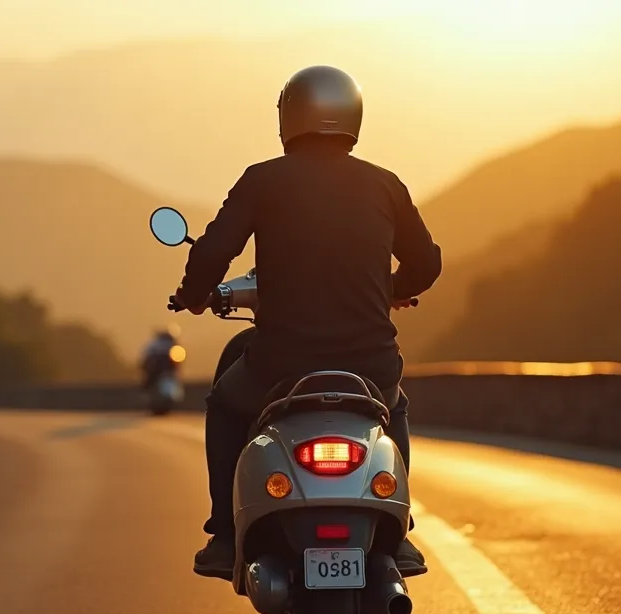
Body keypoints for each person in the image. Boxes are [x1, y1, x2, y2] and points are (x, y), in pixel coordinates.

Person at [173, 65, 443, 581]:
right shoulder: (385, 184)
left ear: (289, 116)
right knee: (395, 407)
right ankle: (401, 535)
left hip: (280, 365)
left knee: (225, 406)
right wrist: (391, 290)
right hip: (371, 366)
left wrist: (192, 296)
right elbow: (427, 264)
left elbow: (211, 251)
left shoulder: (263, 179)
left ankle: (225, 535)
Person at [139, 325, 181, 389]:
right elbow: (146, 360)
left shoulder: (154, 345)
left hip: (168, 373)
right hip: (154, 372)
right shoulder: (153, 345)